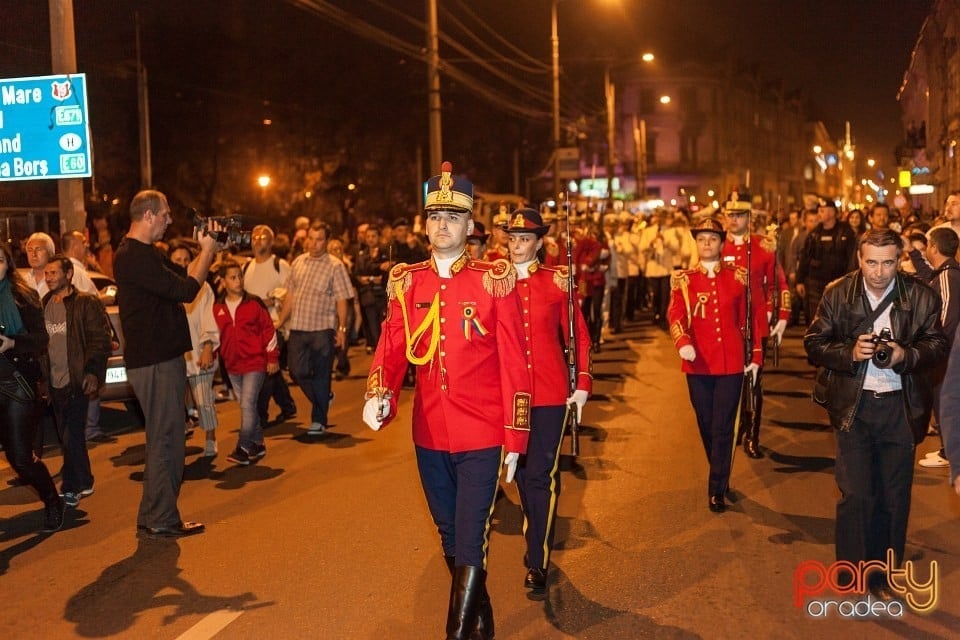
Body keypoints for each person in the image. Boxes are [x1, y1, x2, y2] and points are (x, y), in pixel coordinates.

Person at [362, 162, 531, 640]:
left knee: (472, 538)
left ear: (469, 226)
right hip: (430, 432)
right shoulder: (407, 281)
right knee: (450, 536)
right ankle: (480, 618)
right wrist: (380, 392)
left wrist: (516, 436)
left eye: (452, 218)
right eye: (435, 216)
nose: (442, 224)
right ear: (425, 223)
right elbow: (392, 346)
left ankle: (456, 633)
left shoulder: (492, 280)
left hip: (483, 429)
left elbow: (515, 364)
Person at [804, 228, 947, 601]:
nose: (879, 272)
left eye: (887, 262)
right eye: (871, 262)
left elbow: (936, 344)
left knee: (893, 497)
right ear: (859, 259)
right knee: (855, 494)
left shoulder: (920, 295)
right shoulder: (839, 293)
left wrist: (904, 355)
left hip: (901, 407)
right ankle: (852, 575)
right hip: (855, 406)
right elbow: (815, 342)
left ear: (899, 259)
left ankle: (882, 578)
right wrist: (850, 353)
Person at [114, 189, 221, 538]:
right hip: (156, 360)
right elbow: (188, 291)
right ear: (148, 216)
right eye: (165, 214)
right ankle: (162, 517)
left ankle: (152, 513)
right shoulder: (134, 256)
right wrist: (207, 250)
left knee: (161, 437)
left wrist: (206, 249)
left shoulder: (145, 253)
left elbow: (185, 278)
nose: (170, 220)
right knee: (167, 440)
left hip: (159, 358)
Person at [505, 208, 592, 596]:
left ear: (540, 242)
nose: (517, 246)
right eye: (512, 239)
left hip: (549, 392)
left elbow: (579, 335)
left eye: (524, 239)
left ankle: (538, 559)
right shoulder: (495, 282)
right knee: (522, 475)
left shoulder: (557, 282)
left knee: (541, 474)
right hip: (508, 396)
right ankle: (534, 531)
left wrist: (583, 383)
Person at [667, 216, 766, 513]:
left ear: (722, 243)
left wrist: (756, 355)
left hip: (731, 363)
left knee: (723, 427)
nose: (706, 243)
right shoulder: (684, 280)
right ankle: (720, 469)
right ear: (696, 244)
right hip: (697, 363)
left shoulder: (738, 277)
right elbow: (675, 314)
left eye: (712, 238)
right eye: (701, 238)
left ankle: (716, 487)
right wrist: (682, 341)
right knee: (706, 424)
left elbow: (752, 318)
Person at [0, 242, 64, 532]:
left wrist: (13, 342)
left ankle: (52, 500)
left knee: (20, 458)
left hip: (17, 383)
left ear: (7, 264)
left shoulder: (22, 296)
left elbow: (41, 339)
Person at [721, 192, 789, 459]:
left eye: (738, 215)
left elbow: (778, 283)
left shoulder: (763, 246)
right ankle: (735, 428)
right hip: (727, 326)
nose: (732, 220)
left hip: (755, 323)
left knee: (753, 383)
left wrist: (779, 315)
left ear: (748, 218)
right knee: (729, 382)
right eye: (729, 214)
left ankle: (752, 434)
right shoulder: (717, 247)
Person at [41, 254, 111, 508]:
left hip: (77, 380)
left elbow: (99, 340)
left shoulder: (85, 303)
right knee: (68, 436)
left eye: (53, 273)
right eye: (46, 274)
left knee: (71, 435)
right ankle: (86, 480)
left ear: (68, 274)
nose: (48, 278)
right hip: (55, 383)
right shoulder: (46, 303)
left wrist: (92, 372)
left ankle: (71, 487)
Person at [276, 220, 352, 436]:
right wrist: (281, 321)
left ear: (327, 241)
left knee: (321, 375)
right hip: (298, 327)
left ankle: (319, 420)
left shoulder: (335, 265)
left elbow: (342, 300)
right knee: (296, 371)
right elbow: (290, 294)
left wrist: (342, 329)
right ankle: (323, 397)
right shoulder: (298, 262)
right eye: (311, 238)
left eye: (319, 239)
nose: (314, 243)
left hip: (322, 329)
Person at [904, 227, 960, 469]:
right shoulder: (945, 272)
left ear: (935, 247)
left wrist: (934, 348)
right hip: (945, 354)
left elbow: (947, 319)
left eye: (927, 244)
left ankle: (951, 452)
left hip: (946, 354)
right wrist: (914, 253)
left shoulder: (949, 276)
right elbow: (929, 277)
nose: (926, 248)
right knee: (942, 400)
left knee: (946, 401)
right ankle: (948, 449)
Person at [214, 259, 279, 465]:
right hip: (233, 366)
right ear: (223, 281)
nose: (238, 280)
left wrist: (272, 358)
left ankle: (243, 447)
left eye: (240, 276)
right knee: (247, 406)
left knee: (247, 403)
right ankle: (258, 444)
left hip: (255, 363)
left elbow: (269, 330)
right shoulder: (217, 308)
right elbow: (215, 336)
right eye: (232, 277)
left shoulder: (253, 303)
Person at [242, 225, 297, 428]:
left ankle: (260, 415)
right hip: (251, 328)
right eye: (255, 236)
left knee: (264, 369)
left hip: (274, 325)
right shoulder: (246, 267)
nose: (258, 239)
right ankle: (287, 405)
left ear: (271, 242)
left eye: (263, 237)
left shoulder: (279, 264)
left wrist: (271, 303)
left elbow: (289, 292)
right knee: (270, 369)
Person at [169, 242, 220, 457]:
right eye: (177, 261)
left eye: (186, 260)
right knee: (172, 404)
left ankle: (211, 437)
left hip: (198, 354)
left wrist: (208, 346)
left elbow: (208, 318)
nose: (182, 264)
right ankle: (177, 440)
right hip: (174, 356)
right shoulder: (165, 287)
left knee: (204, 401)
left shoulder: (203, 287)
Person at [796, 198, 857, 325]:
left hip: (839, 282)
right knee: (815, 319)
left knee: (836, 318)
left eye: (822, 211)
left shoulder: (846, 232)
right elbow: (805, 258)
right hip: (815, 283)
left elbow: (852, 258)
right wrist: (800, 280)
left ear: (832, 212)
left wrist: (850, 280)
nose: (819, 214)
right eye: (819, 210)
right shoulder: (814, 234)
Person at [354, 224, 392, 353]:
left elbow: (389, 268)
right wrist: (370, 277)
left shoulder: (385, 252)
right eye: (368, 236)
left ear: (379, 237)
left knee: (384, 325)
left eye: (373, 236)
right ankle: (378, 350)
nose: (370, 239)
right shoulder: (361, 255)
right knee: (372, 326)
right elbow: (358, 273)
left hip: (382, 294)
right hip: (368, 296)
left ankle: (385, 351)